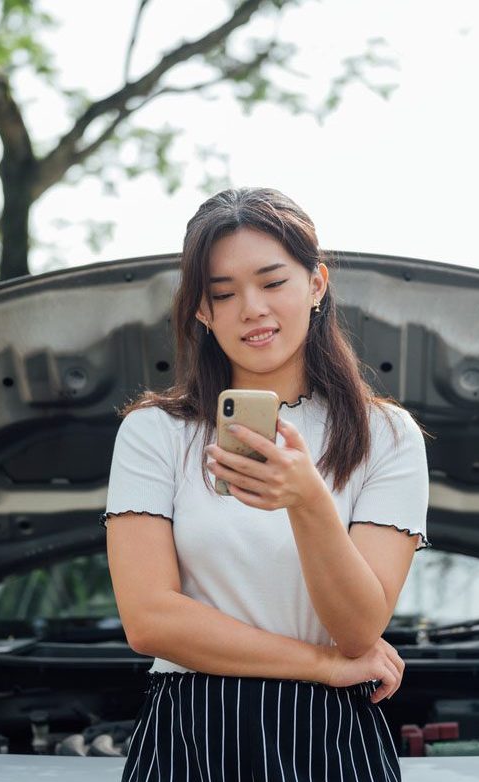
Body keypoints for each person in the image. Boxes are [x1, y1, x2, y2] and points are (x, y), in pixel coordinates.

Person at [101, 187, 429, 781]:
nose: (251, 308)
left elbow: (359, 629)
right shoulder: (154, 433)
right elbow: (149, 620)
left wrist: (307, 501)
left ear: (317, 284)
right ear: (202, 311)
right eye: (223, 293)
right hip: (191, 735)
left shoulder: (388, 436)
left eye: (273, 282)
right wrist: (319, 665)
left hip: (330, 738)